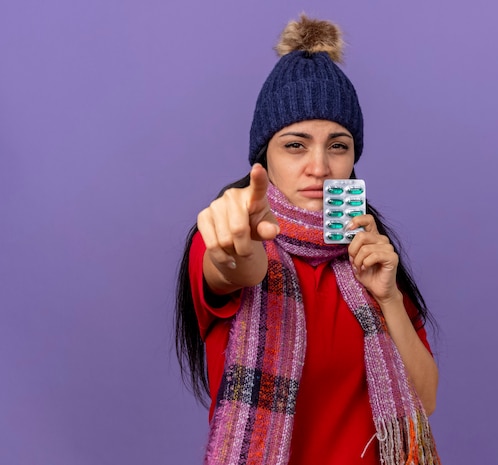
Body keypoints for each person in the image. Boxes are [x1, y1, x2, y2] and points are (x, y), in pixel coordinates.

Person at [175, 14, 441, 465]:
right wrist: (234, 247)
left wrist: (390, 298)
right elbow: (240, 265)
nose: (319, 167)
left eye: (337, 145)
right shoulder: (230, 232)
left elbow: (426, 401)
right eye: (295, 145)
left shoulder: (370, 251)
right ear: (265, 155)